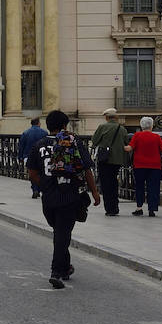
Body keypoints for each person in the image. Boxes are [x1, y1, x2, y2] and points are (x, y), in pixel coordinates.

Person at [25, 110, 101, 289]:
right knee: (62, 235)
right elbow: (87, 169)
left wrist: (45, 186)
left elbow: (32, 172)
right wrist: (95, 193)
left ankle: (66, 267)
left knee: (60, 233)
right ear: (65, 126)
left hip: (49, 199)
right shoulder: (73, 142)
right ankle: (56, 272)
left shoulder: (39, 145)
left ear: (47, 126)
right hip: (69, 195)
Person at [89, 108, 130, 217]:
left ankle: (109, 209)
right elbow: (127, 142)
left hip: (104, 159)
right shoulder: (122, 129)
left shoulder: (102, 127)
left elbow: (94, 140)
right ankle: (115, 207)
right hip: (117, 160)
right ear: (116, 118)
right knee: (114, 182)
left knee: (105, 184)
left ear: (107, 117)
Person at [126, 116, 162, 217]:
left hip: (139, 165)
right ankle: (152, 209)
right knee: (153, 187)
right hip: (155, 166)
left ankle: (139, 208)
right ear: (152, 126)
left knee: (139, 186)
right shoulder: (156, 137)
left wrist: (120, 146)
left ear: (141, 126)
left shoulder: (137, 135)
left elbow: (129, 148)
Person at [17, 117, 48, 199]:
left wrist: (20, 157)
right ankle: (39, 188)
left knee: (32, 173)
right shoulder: (44, 132)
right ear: (38, 123)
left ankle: (34, 189)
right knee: (41, 173)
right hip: (42, 155)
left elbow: (21, 146)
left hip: (28, 156)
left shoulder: (26, 133)